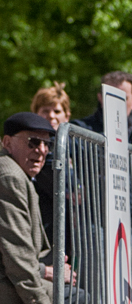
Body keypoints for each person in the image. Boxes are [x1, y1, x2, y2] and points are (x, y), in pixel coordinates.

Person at [0, 113, 105, 304]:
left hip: (9, 278)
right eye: (33, 142)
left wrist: (47, 268)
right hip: (6, 285)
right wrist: (42, 303)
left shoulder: (17, 175)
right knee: (78, 302)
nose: (41, 151)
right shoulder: (9, 177)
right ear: (7, 142)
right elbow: (16, 254)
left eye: (46, 144)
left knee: (74, 294)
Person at [72, 70, 132, 177]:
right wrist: (75, 188)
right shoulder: (80, 131)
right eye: (112, 97)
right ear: (100, 98)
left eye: (123, 98)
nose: (117, 104)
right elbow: (61, 162)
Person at [30, 82, 72, 237]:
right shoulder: (33, 145)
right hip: (46, 226)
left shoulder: (74, 146)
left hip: (72, 229)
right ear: (35, 114)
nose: (51, 116)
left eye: (57, 111)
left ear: (67, 116)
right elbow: (67, 184)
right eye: (45, 110)